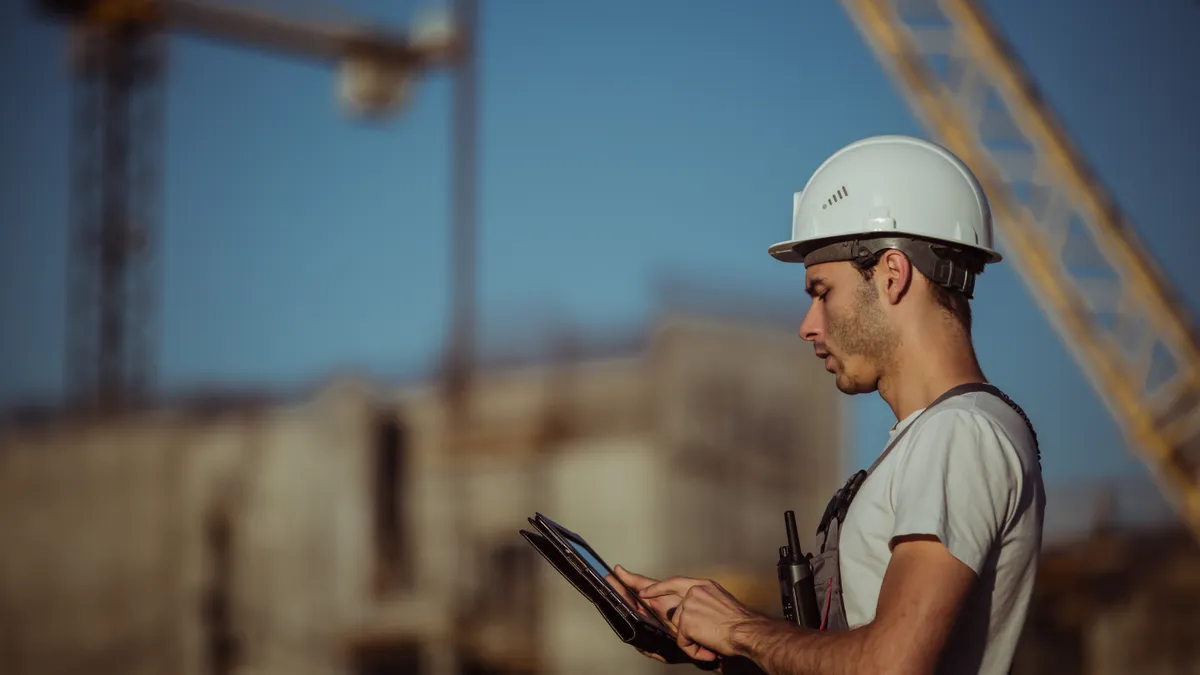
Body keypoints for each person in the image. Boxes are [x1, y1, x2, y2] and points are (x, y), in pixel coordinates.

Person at [612, 134, 1046, 675]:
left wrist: (741, 629)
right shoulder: (936, 438)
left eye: (822, 292)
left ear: (893, 274)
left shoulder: (961, 434)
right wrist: (728, 647)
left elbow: (890, 664)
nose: (808, 325)